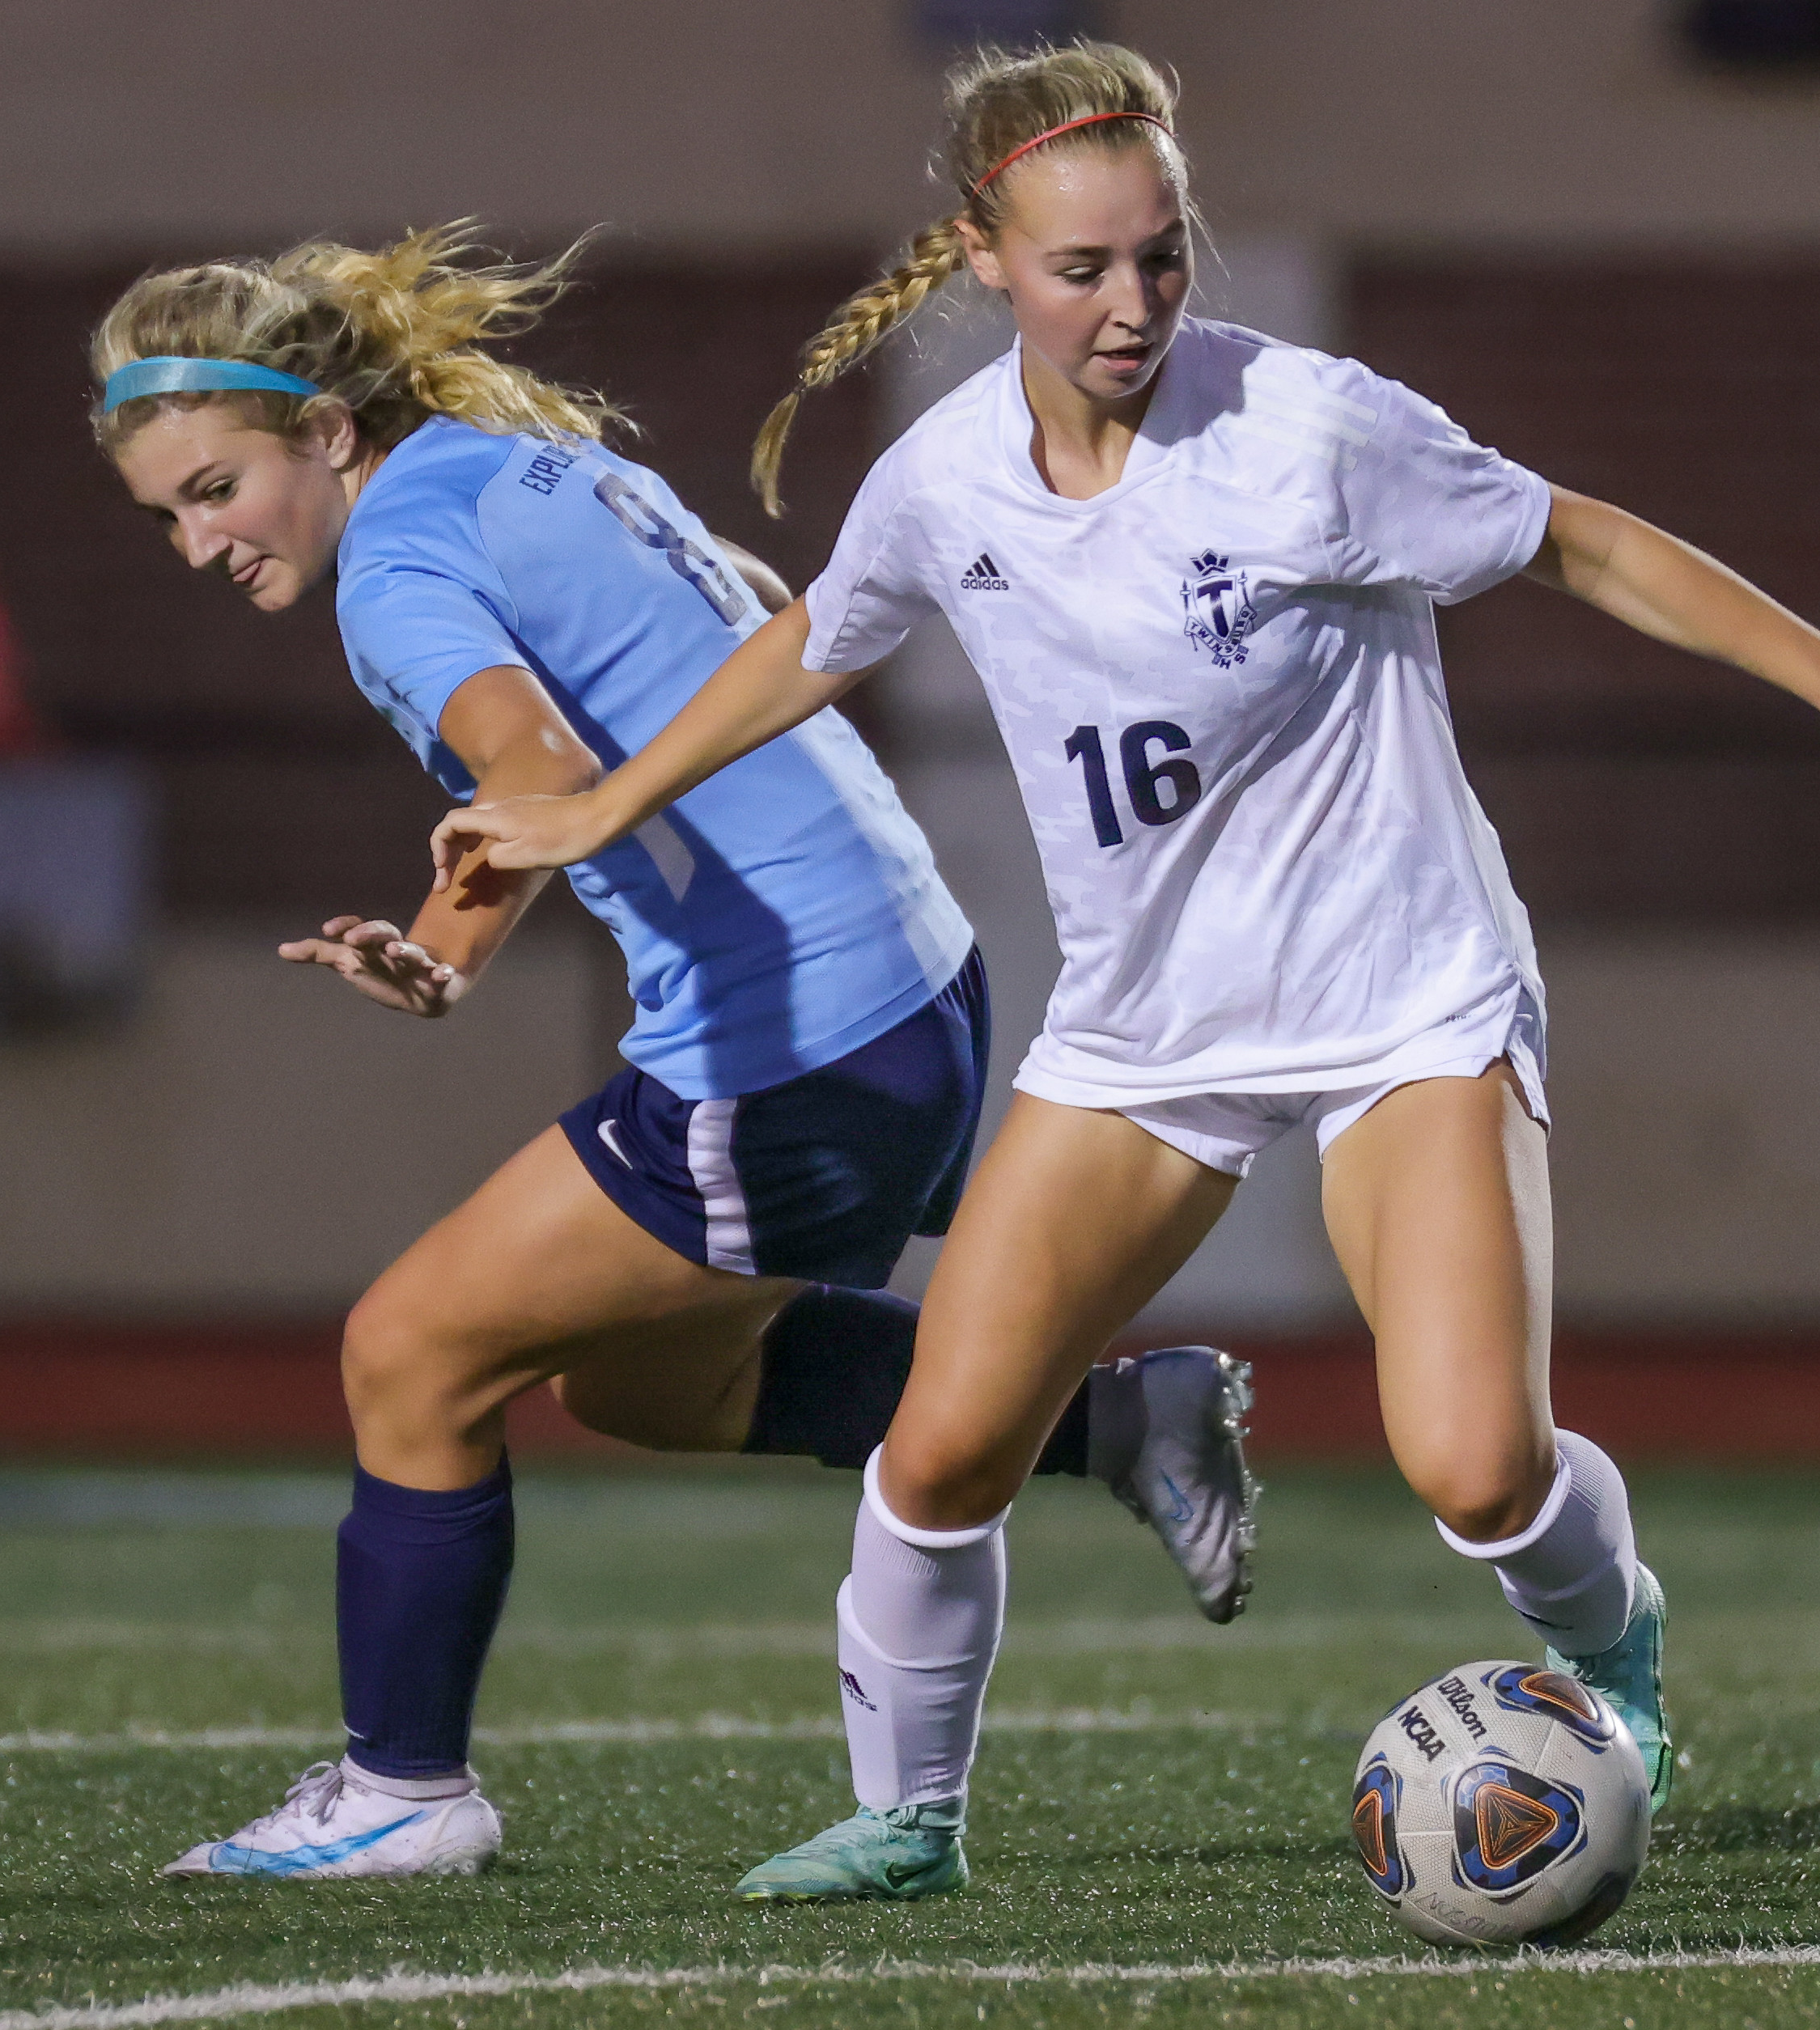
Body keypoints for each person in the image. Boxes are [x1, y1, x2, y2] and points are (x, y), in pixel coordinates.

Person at [432, 43, 1820, 1905]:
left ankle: (1615, 1657)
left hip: (1402, 995)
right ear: (980, 259)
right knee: (942, 1440)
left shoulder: (1309, 431)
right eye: (1083, 267)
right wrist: (599, 804)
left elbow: (1579, 540)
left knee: (1475, 1462)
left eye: (1162, 257)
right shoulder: (943, 483)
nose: (1131, 304)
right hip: (1147, 1031)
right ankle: (909, 1818)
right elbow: (812, 647)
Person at [89, 223, 1258, 1881]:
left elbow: (532, 757)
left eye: (216, 489)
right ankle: (1115, 1422)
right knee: (643, 1381)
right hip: (912, 988)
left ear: (325, 432)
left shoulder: (398, 572)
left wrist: (446, 940)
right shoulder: (522, 466)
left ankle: (403, 1788)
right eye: (166, 515)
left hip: (786, 1042)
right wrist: (479, 921)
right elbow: (757, 614)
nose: (199, 540)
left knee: (408, 1353)